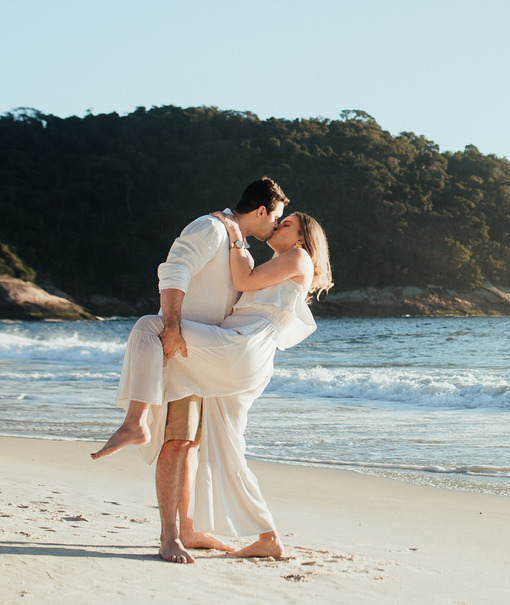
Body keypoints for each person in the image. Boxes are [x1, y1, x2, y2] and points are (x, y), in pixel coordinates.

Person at [93, 208, 332, 559]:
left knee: (150, 326)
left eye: (286, 223)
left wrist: (234, 232)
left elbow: (243, 281)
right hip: (243, 355)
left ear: (301, 237)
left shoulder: (298, 256)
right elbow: (241, 283)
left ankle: (136, 423)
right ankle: (268, 537)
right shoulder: (281, 264)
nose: (278, 226)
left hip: (240, 347)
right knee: (228, 447)